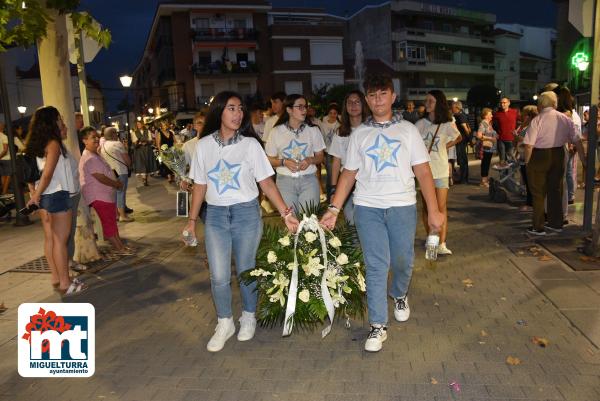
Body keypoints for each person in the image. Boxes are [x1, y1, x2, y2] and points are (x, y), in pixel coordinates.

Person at [321, 74, 444, 353]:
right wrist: (333, 208)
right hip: (367, 207)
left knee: (402, 261)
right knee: (376, 265)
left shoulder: (407, 131)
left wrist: (434, 210)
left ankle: (399, 294)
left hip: (402, 206)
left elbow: (423, 171)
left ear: (392, 96)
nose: (377, 100)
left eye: (382, 94)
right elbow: (349, 174)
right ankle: (378, 325)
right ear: (367, 100)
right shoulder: (359, 134)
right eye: (372, 95)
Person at [182, 91, 299, 352]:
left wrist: (286, 213)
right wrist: (191, 221)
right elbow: (199, 185)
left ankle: (248, 316)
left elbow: (266, 183)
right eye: (232, 108)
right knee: (219, 275)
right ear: (219, 111)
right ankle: (225, 322)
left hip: (246, 214)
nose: (238, 114)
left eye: (240, 109)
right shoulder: (203, 146)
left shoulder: (250, 145)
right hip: (215, 217)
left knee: (246, 270)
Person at [24, 106, 86, 296]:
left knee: (50, 238)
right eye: (58, 118)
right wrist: (35, 195)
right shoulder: (53, 144)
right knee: (60, 240)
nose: (61, 121)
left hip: (44, 197)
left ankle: (56, 278)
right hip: (56, 195)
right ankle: (65, 283)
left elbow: (32, 174)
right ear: (52, 121)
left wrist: (34, 194)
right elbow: (48, 174)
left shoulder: (35, 143)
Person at [523, 91, 586, 236]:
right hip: (558, 154)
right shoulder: (565, 118)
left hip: (539, 155)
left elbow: (528, 145)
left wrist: (527, 161)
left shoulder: (537, 120)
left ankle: (538, 226)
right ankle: (556, 223)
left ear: (541, 104)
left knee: (538, 192)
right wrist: (583, 159)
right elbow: (577, 140)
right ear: (554, 103)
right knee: (555, 190)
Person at [415, 90, 461, 256]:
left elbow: (458, 137)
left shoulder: (447, 124)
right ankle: (431, 240)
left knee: (440, 209)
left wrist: (444, 147)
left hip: (441, 170)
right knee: (428, 207)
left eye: (430, 101)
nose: (426, 103)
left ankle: (441, 243)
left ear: (438, 103)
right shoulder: (420, 124)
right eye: (426, 100)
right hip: (424, 172)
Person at [265, 94, 325, 213]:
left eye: (305, 107)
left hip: (309, 180)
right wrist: (283, 162)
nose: (304, 110)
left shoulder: (313, 130)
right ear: (289, 110)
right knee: (291, 222)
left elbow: (320, 156)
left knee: (309, 223)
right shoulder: (276, 131)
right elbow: (268, 159)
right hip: (284, 182)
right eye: (300, 107)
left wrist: (310, 160)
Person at [79, 127, 131, 251]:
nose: (97, 139)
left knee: (112, 222)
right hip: (99, 196)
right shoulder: (89, 157)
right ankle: (120, 248)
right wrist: (115, 184)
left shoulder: (95, 154)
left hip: (105, 195)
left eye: (97, 136)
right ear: (85, 140)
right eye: (93, 137)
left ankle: (121, 246)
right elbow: (100, 177)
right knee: (109, 223)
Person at [329, 90, 370, 225]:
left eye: (357, 102)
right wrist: (334, 189)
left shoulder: (371, 129)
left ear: (364, 104)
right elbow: (336, 162)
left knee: (366, 222)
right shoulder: (340, 132)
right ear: (345, 107)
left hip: (367, 183)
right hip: (347, 184)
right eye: (349, 102)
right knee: (351, 221)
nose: (353, 105)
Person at [101, 127, 133, 222]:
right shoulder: (117, 144)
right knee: (121, 193)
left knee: (114, 194)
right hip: (121, 171)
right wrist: (129, 165)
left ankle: (116, 215)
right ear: (113, 134)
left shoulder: (103, 145)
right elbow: (126, 158)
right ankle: (123, 215)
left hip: (110, 173)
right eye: (116, 133)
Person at [515, 105, 538, 212]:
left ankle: (530, 204)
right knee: (528, 181)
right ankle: (530, 203)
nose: (521, 117)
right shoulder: (528, 125)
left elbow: (529, 142)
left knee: (530, 182)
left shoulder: (533, 126)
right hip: (525, 156)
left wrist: (518, 137)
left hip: (528, 157)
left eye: (524, 115)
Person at [320, 103, 341, 201]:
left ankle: (339, 197)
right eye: (331, 113)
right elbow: (321, 139)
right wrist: (322, 154)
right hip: (328, 152)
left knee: (340, 175)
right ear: (328, 114)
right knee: (330, 176)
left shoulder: (340, 124)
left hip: (339, 153)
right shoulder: (323, 124)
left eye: (335, 113)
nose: (333, 115)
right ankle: (330, 198)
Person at [493, 97, 519, 167]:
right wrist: (494, 133)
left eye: (504, 102)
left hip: (511, 139)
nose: (502, 104)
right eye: (501, 103)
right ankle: (503, 177)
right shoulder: (497, 114)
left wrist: (517, 131)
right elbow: (491, 124)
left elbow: (521, 122)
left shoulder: (514, 112)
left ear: (509, 103)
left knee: (511, 159)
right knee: (502, 160)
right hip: (501, 139)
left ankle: (511, 177)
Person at [1, 122, 25, 194]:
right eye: (20, 129)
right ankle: (4, 192)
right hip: (7, 158)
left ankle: (5, 191)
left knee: (3, 175)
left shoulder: (6, 136)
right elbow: (6, 150)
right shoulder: (6, 137)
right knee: (9, 175)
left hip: (1, 159)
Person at [476, 108, 497, 188]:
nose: (492, 115)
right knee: (485, 163)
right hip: (485, 147)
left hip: (489, 147)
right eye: (490, 114)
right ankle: (483, 181)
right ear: (486, 115)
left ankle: (485, 179)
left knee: (487, 163)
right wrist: (491, 138)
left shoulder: (488, 123)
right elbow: (479, 135)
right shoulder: (483, 124)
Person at [452, 101, 471, 184]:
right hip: (462, 140)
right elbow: (469, 128)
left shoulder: (460, 116)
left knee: (462, 160)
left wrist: (469, 138)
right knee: (462, 159)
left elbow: (466, 128)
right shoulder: (462, 115)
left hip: (461, 140)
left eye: (452, 107)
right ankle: (464, 178)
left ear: (456, 108)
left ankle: (464, 179)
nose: (451, 109)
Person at [131, 121, 156, 186]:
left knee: (147, 164)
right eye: (137, 124)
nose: (138, 125)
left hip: (147, 149)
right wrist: (139, 143)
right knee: (142, 165)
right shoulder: (134, 133)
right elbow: (134, 142)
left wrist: (147, 142)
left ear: (142, 124)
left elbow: (151, 140)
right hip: (139, 150)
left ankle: (145, 179)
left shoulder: (148, 131)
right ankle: (144, 179)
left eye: (139, 124)